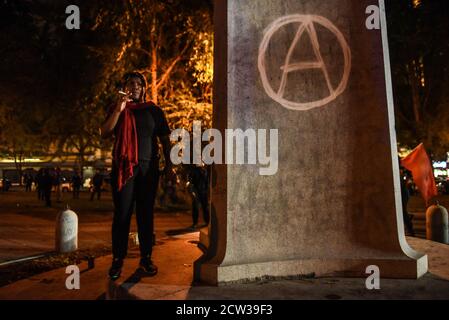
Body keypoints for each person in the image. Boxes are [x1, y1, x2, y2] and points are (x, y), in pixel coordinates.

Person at [101, 71, 173, 280]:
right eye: (130, 83)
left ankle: (146, 258)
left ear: (143, 88)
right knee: (122, 215)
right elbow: (105, 132)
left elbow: (166, 141)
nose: (134, 86)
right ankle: (118, 260)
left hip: (148, 169)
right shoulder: (118, 109)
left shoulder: (153, 110)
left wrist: (169, 167)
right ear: (124, 87)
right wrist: (119, 108)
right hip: (124, 170)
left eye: (138, 83)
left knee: (145, 214)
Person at [185, 164, 210, 229]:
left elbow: (207, 181)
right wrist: (192, 191)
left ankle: (206, 222)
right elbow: (190, 181)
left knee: (204, 207)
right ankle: (196, 223)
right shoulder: (194, 170)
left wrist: (206, 189)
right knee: (197, 207)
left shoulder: (204, 171)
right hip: (197, 191)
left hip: (202, 191)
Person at [400, 166, 415, 236]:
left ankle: (410, 231)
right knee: (402, 211)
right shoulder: (402, 175)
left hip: (403, 193)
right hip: (403, 193)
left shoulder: (402, 176)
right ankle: (409, 217)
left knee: (403, 211)